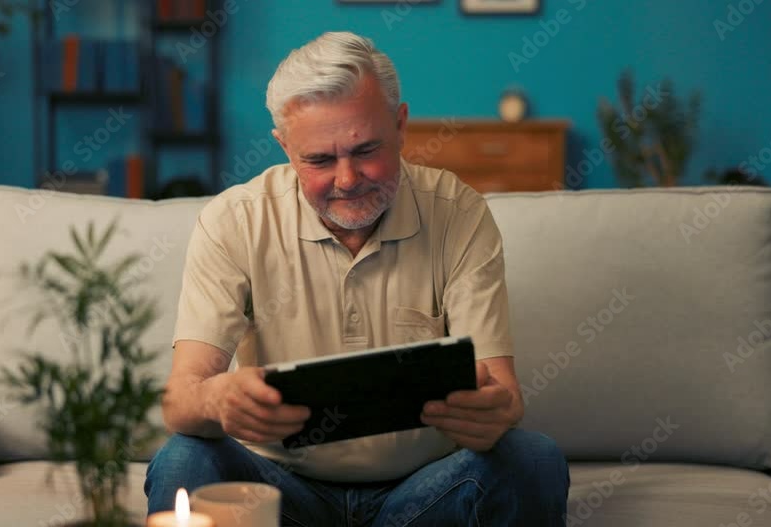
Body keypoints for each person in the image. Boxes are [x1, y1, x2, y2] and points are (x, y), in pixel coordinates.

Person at [144, 31, 570, 526]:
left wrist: (492, 412)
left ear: (401, 125)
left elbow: (505, 393)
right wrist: (217, 399)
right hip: (278, 493)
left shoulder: (458, 214)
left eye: (366, 150)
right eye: (319, 160)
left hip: (425, 492)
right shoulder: (234, 222)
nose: (347, 180)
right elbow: (181, 399)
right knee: (183, 458)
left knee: (532, 458)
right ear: (285, 148)